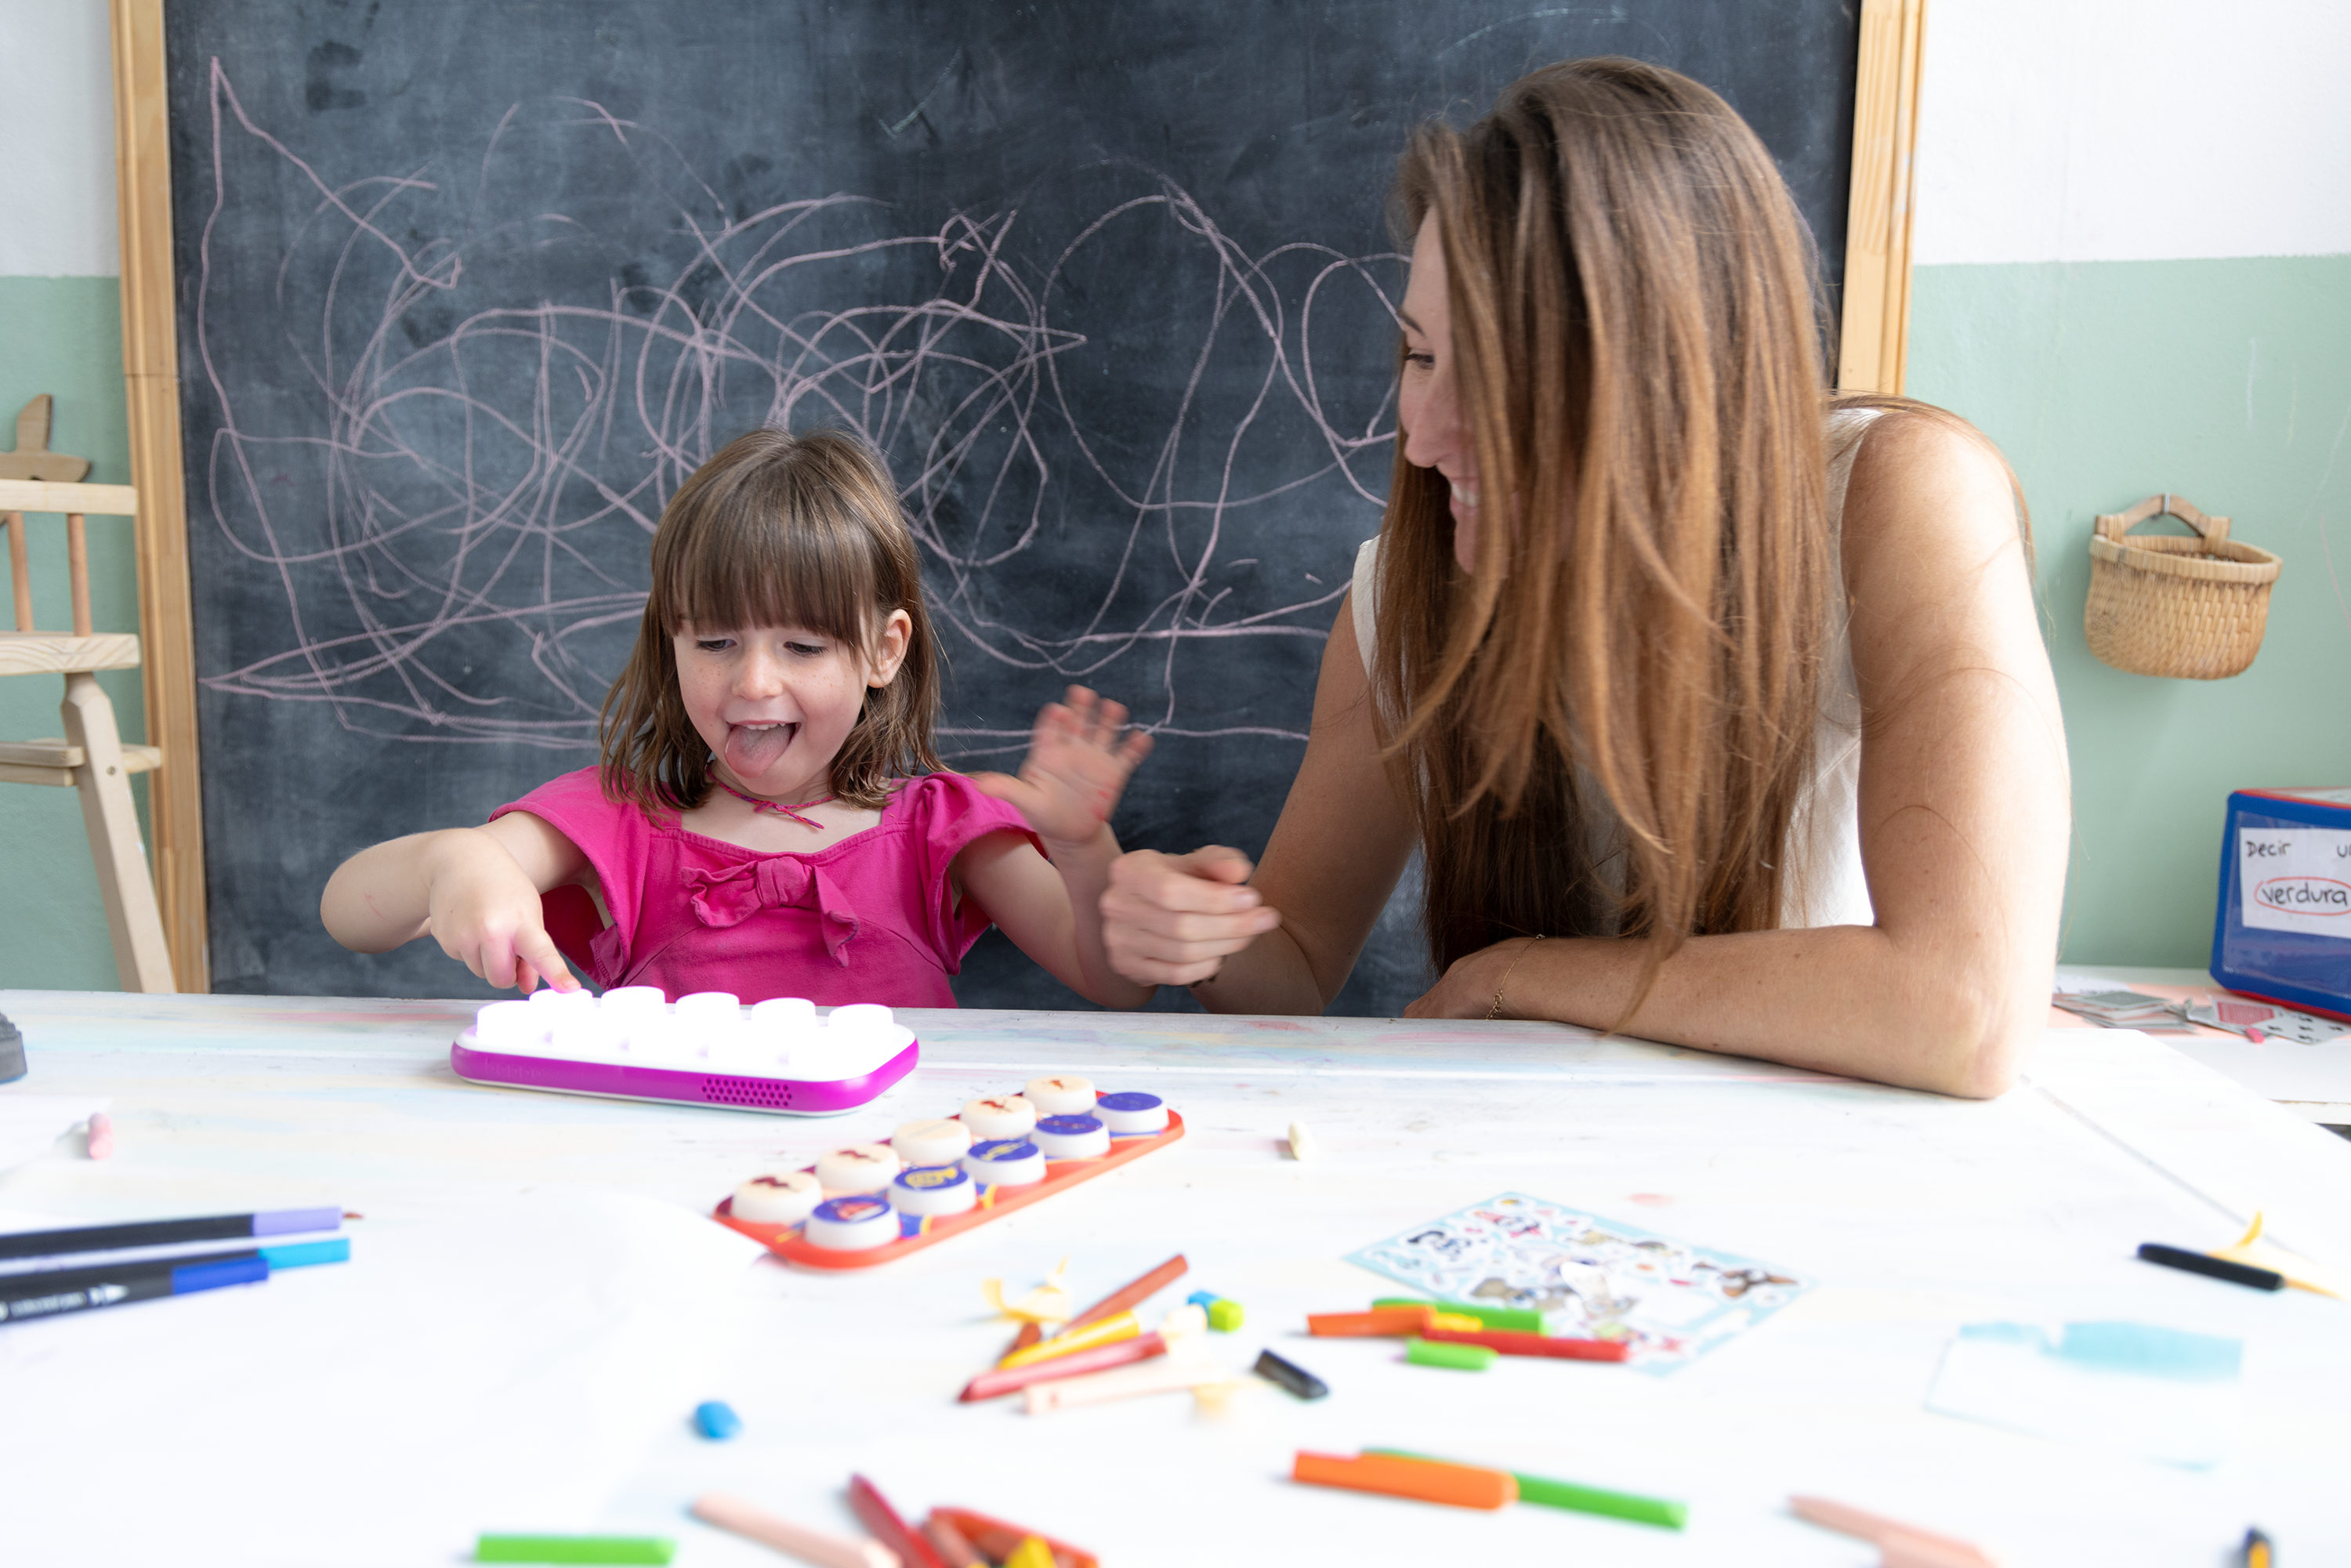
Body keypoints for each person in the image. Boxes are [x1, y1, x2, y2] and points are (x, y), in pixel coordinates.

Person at [1096, 59, 2069, 1098]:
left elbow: (1966, 1010)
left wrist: (1525, 975)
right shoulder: (1402, 598)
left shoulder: (1898, 498)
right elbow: (1291, 972)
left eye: (1497, 372)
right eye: (1422, 357)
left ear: (1659, 375)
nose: (1420, 438)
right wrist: (1193, 931)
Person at [321, 426, 1154, 1009]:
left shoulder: (938, 828)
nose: (753, 683)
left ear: (883, 650)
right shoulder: (622, 820)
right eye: (716, 641)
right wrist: (456, 863)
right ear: (671, 642)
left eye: (801, 646)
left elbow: (1113, 983)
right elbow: (346, 915)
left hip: (890, 1187)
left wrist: (1082, 847)